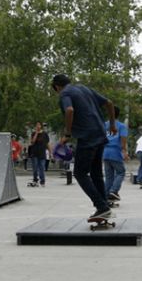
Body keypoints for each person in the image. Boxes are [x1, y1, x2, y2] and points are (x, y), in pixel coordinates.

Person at [52, 74, 116, 219]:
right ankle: (104, 205)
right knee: (96, 173)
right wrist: (112, 124)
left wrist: (67, 134)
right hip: (100, 133)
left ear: (57, 86)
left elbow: (69, 110)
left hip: (87, 137)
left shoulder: (65, 93)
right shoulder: (83, 88)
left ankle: (101, 206)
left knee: (80, 173)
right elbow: (109, 103)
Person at [102, 105, 128, 204]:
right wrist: (124, 151)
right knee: (121, 172)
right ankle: (113, 191)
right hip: (115, 151)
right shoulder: (121, 126)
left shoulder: (104, 125)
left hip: (105, 152)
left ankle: (106, 197)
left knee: (109, 176)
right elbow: (123, 139)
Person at [29, 121, 49, 187]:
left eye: (39, 125)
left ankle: (42, 181)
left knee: (42, 168)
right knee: (35, 168)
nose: (38, 126)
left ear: (41, 126)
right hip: (34, 153)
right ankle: (35, 180)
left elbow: (47, 144)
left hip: (42, 153)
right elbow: (32, 142)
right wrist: (36, 133)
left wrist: (51, 153)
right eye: (37, 125)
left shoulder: (45, 134)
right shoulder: (33, 133)